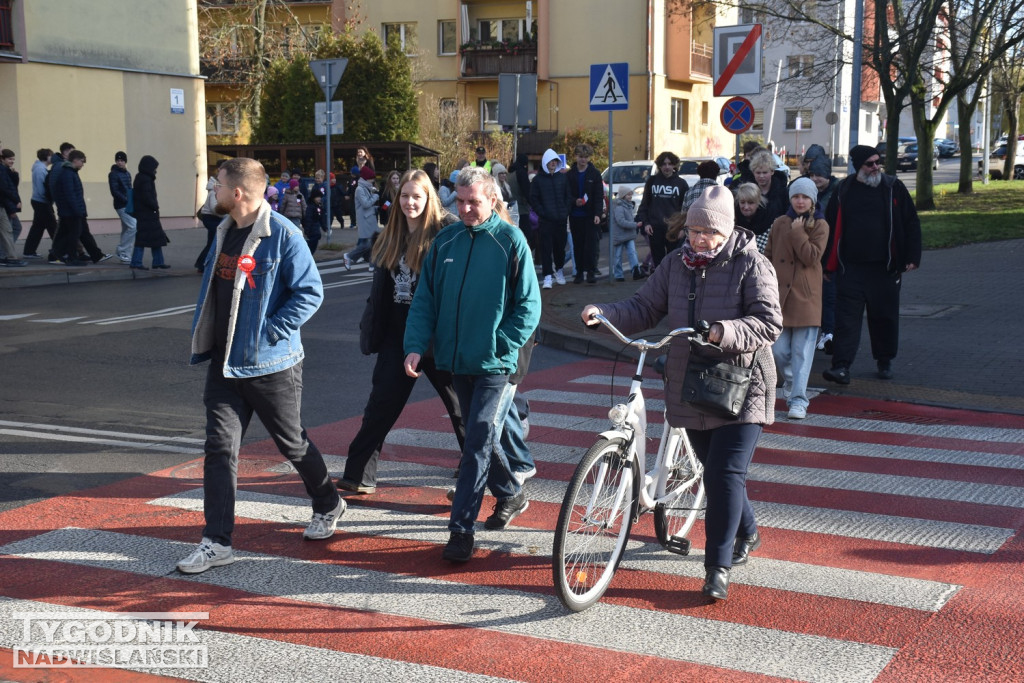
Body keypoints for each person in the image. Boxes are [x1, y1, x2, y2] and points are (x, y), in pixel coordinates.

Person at [580, 185, 782, 601]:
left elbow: (767, 323)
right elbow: (644, 308)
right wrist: (604, 314)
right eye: (692, 231)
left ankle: (717, 567)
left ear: (726, 230)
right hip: (692, 383)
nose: (698, 240)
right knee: (717, 471)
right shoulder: (675, 264)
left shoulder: (753, 265)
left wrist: (723, 331)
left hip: (743, 386)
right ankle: (748, 531)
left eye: (707, 232)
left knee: (725, 473)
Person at [178, 157, 342, 575]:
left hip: (270, 365)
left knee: (292, 444)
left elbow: (310, 293)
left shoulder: (283, 235)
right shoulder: (223, 230)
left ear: (238, 193)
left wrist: (268, 333)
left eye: (217, 185)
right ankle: (216, 541)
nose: (212, 191)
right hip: (224, 363)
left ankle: (328, 501)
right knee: (219, 449)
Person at [404, 166, 541, 563]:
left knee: (478, 437)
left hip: (496, 362)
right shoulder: (445, 241)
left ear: (493, 200)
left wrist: (503, 342)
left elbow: (529, 306)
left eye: (473, 202)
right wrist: (415, 345)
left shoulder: (511, 241)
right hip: (456, 359)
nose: (464, 208)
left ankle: (461, 529)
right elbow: (425, 299)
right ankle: (512, 494)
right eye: (459, 201)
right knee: (480, 437)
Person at [340, 169, 466, 494]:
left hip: (439, 338)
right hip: (398, 337)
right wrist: (372, 330)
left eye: (417, 196)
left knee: (460, 407)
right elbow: (379, 294)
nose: (410, 202)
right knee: (380, 405)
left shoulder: (447, 231)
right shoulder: (390, 234)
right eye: (405, 196)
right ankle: (358, 474)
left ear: (429, 199)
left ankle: (476, 469)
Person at [822, 145, 921, 384]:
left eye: (878, 162)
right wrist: (827, 264)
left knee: (884, 317)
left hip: (884, 268)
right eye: (870, 163)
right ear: (858, 166)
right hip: (851, 268)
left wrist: (911, 256)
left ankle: (884, 360)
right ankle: (841, 367)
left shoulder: (892, 187)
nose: (876, 167)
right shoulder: (844, 190)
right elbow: (830, 226)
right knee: (846, 320)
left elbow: (911, 222)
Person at [764, 177, 828, 420]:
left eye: (804, 197)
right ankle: (793, 384)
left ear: (812, 199)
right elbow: (768, 256)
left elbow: (811, 257)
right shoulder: (780, 222)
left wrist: (799, 232)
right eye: (796, 196)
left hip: (806, 298)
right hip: (779, 296)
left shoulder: (820, 225)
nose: (800, 201)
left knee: (802, 354)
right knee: (778, 351)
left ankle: (799, 400)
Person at [52, 150, 109, 266]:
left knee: (80, 233)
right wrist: (78, 211)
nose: (83, 164)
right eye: (82, 162)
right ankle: (70, 257)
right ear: (75, 160)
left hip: (73, 211)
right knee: (74, 234)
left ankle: (96, 255)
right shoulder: (68, 173)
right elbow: (70, 195)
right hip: (72, 212)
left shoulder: (71, 172)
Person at [636, 150, 688, 268]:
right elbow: (645, 204)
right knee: (658, 262)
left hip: (674, 228)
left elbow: (685, 209)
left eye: (670, 164)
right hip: (655, 227)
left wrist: (683, 229)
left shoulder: (681, 184)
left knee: (673, 261)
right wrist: (646, 223)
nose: (667, 167)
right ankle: (660, 284)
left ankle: (672, 284)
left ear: (674, 165)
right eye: (664, 164)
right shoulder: (652, 181)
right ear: (659, 166)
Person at [529, 148, 572, 289]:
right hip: (546, 221)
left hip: (560, 220)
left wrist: (565, 211)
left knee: (560, 248)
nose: (553, 163)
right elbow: (533, 199)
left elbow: (568, 196)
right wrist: (543, 212)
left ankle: (559, 271)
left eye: (555, 161)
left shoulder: (562, 178)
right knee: (545, 249)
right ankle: (548, 276)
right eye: (550, 161)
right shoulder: (538, 180)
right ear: (545, 163)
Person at [566, 144, 605, 284]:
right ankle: (579, 273)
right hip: (575, 215)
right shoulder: (570, 174)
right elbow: (567, 194)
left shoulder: (594, 173)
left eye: (586, 157)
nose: (583, 160)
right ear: (576, 156)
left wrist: (597, 214)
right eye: (581, 157)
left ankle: (591, 272)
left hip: (590, 215)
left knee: (591, 245)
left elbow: (598, 195)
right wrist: (573, 201)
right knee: (578, 245)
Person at [129, 155, 169, 270]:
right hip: (147, 213)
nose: (155, 170)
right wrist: (155, 206)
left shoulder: (141, 177)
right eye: (154, 167)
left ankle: (158, 261)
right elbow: (147, 196)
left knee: (155, 237)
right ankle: (137, 262)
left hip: (145, 213)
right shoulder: (145, 179)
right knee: (144, 238)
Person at [344, 165, 379, 270]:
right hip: (365, 220)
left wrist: (376, 207)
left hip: (368, 218)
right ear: (366, 178)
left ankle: (372, 264)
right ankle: (350, 256)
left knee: (372, 242)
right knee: (370, 243)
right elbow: (365, 204)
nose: (373, 180)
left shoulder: (365, 188)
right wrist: (375, 197)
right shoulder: (360, 189)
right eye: (371, 178)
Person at [22, 148, 54, 260]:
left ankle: (29, 251)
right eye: (51, 155)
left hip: (39, 201)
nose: (53, 158)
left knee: (38, 227)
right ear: (47, 157)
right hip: (42, 201)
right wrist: (48, 199)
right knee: (53, 226)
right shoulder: (40, 169)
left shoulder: (40, 168)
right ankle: (60, 250)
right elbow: (41, 188)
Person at [196, 160, 225, 273]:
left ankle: (202, 264)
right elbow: (214, 209)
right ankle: (204, 264)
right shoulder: (214, 189)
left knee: (212, 241)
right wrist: (226, 212)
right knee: (215, 241)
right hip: (211, 217)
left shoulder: (219, 187)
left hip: (214, 217)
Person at [108, 151, 136, 264]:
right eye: (118, 160)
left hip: (128, 204)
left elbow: (130, 188)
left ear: (125, 162)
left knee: (126, 228)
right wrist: (126, 200)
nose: (120, 162)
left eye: (122, 160)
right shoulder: (113, 174)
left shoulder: (127, 173)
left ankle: (126, 255)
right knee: (133, 226)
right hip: (120, 205)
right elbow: (114, 191)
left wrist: (132, 201)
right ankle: (122, 251)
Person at [609, 187, 643, 281]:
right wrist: (635, 225)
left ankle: (636, 271)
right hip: (619, 234)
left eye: (631, 194)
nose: (630, 196)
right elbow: (621, 221)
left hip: (627, 234)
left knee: (632, 252)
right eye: (628, 195)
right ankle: (618, 275)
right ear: (623, 195)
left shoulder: (628, 205)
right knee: (618, 255)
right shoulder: (619, 207)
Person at [0, 148, 26, 266]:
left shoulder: (6, 170)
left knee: (9, 230)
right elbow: (5, 190)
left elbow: (12, 187)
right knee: (9, 230)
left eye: (13, 159)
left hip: (5, 205)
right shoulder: (2, 170)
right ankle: (8, 256)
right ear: (3, 158)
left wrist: (14, 174)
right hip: (5, 206)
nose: (12, 161)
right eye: (10, 159)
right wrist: (13, 206)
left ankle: (8, 255)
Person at [734, 182, 772, 253]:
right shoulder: (733, 221)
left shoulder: (769, 224)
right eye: (742, 202)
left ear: (758, 203)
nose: (746, 207)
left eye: (750, 203)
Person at [491, 163, 519, 227]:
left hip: (507, 214)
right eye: (501, 173)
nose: (503, 175)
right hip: (498, 215)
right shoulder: (494, 187)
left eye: (505, 173)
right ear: (496, 174)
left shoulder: (507, 186)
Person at [304, 186, 327, 253]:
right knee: (311, 245)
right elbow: (308, 219)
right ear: (313, 198)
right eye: (317, 197)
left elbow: (321, 218)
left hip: (316, 229)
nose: (319, 199)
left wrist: (324, 227)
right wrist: (307, 230)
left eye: (320, 197)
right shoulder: (311, 207)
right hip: (312, 230)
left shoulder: (319, 206)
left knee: (313, 245)